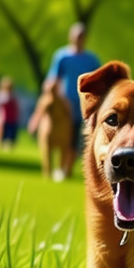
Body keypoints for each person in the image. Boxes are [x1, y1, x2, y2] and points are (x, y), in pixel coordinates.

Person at [45, 23, 102, 169]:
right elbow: (54, 78)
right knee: (62, 136)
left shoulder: (91, 60)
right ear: (71, 37)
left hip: (82, 104)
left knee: (75, 138)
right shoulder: (62, 56)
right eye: (77, 36)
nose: (79, 39)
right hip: (65, 104)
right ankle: (58, 167)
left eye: (82, 37)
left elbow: (99, 80)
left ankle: (66, 169)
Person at [27, 78, 75, 180]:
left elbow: (68, 114)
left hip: (61, 131)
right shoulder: (45, 101)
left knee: (63, 151)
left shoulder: (63, 101)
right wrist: (33, 124)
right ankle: (48, 172)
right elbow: (39, 113)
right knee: (46, 151)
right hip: (47, 130)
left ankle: (60, 171)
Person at [0, 77, 20, 150]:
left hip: (12, 118)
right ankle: (1, 146)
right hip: (3, 118)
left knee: (11, 134)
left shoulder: (13, 96)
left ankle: (10, 147)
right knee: (2, 133)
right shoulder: (2, 95)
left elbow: (16, 107)